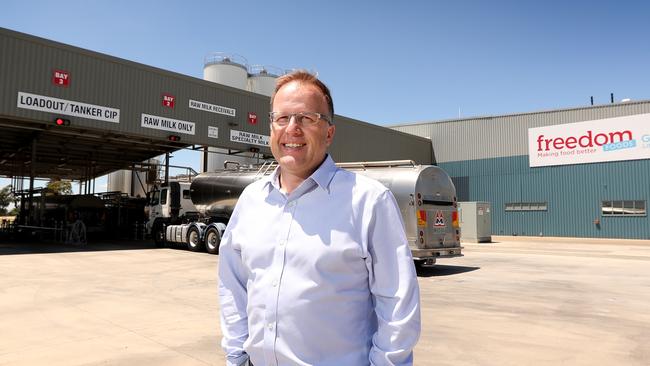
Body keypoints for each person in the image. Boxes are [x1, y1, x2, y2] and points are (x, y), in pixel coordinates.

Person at [218, 71, 420, 366]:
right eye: (282, 118)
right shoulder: (252, 200)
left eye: (307, 118)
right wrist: (236, 357)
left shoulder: (368, 201)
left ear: (329, 133)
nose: (292, 129)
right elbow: (232, 285)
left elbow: (398, 303)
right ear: (271, 128)